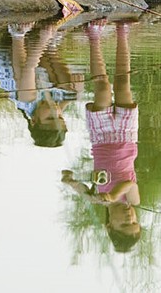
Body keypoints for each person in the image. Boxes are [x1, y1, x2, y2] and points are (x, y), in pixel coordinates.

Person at [61, 20, 141, 252]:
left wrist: (71, 182)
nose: (130, 217)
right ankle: (121, 31)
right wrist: (114, 195)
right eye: (134, 222)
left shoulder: (98, 196)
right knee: (123, 83)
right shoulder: (132, 200)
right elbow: (128, 183)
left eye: (125, 224)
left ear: (109, 225)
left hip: (102, 136)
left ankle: (94, 37)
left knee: (103, 88)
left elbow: (78, 186)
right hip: (127, 135)